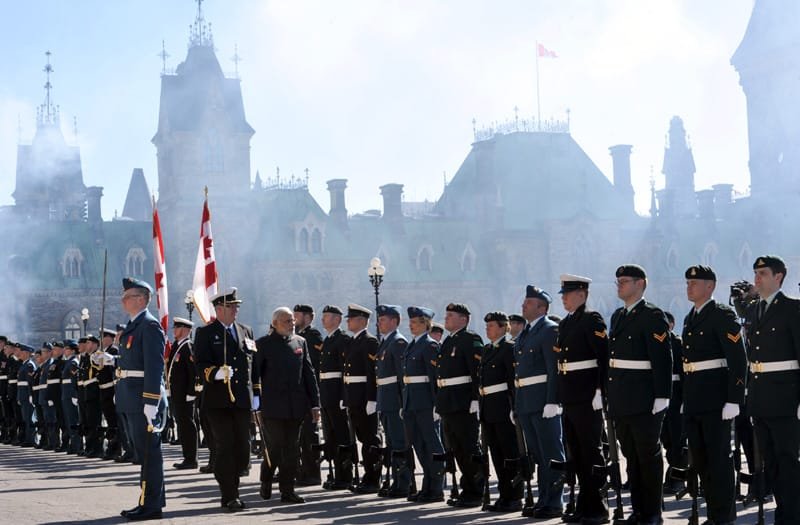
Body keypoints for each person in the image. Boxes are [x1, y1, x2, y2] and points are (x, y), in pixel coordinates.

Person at [681, 265, 747, 525]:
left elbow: (738, 359)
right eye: (687, 283)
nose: (689, 287)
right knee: (701, 460)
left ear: (710, 286)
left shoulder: (722, 315)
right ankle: (714, 513)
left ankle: (724, 517)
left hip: (716, 399)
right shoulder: (690, 317)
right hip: (695, 398)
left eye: (695, 283)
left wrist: (734, 398)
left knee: (719, 460)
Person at [606, 265, 672, 525]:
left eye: (624, 281)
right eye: (617, 281)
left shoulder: (652, 315)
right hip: (622, 398)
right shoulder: (618, 316)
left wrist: (662, 395)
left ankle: (653, 513)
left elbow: (662, 358)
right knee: (631, 458)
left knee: (648, 457)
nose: (619, 285)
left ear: (640, 284)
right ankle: (639, 510)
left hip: (645, 398)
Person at [744, 255, 800, 522]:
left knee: (788, 461)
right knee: (771, 464)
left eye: (763, 273)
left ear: (778, 277)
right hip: (761, 397)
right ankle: (783, 511)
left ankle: (791, 515)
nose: (757, 278)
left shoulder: (793, 309)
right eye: (755, 273)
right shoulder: (754, 310)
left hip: (786, 398)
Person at [194, 287, 256, 512]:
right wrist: (215, 373)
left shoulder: (246, 331)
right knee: (225, 447)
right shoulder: (206, 333)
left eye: (237, 306)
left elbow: (253, 365)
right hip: (218, 401)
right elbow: (199, 364)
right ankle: (229, 494)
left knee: (242, 448)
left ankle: (234, 485)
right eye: (231, 306)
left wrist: (256, 393)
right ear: (219, 309)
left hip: (241, 400)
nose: (236, 310)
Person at [555, 274, 609, 524]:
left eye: (567, 293)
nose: (564, 298)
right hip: (571, 395)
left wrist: (600, 390)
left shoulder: (591, 319)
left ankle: (597, 506)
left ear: (581, 294)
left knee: (591, 451)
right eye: (563, 294)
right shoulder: (566, 323)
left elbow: (602, 357)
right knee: (575, 452)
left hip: (588, 395)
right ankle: (583, 505)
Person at [253, 307, 321, 504]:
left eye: (292, 320)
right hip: (272, 407)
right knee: (274, 448)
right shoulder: (263, 344)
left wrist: (315, 404)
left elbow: (308, 374)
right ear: (275, 323)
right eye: (286, 321)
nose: (291, 324)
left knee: (292, 450)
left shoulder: (300, 342)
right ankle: (266, 478)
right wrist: (255, 405)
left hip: (296, 407)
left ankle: (287, 490)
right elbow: (255, 377)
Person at [116, 277, 167, 521]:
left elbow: (154, 366)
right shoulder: (134, 326)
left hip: (141, 399)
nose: (123, 301)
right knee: (143, 453)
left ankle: (151, 505)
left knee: (149, 455)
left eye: (127, 297)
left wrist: (151, 401)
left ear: (141, 299)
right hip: (130, 397)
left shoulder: (149, 325)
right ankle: (148, 501)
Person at [514, 285, 564, 518]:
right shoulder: (526, 332)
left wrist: (552, 401)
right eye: (524, 301)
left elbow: (554, 369)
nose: (523, 304)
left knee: (551, 452)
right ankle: (543, 498)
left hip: (544, 401)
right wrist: (517, 404)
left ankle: (554, 501)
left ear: (542, 307)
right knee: (538, 454)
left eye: (529, 302)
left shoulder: (549, 330)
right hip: (527, 402)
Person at [436, 302, 484, 507]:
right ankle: (467, 488)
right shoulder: (448, 342)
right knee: (455, 447)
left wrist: (476, 398)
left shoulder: (470, 340)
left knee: (469, 446)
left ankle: (476, 490)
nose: (446, 318)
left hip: (464, 401)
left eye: (450, 315)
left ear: (463, 320)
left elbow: (477, 371)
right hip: (448, 402)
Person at [479, 311, 522, 512]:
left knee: (509, 453)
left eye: (491, 326)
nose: (487, 329)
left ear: (503, 327)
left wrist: (514, 408)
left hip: (504, 407)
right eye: (486, 326)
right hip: (489, 408)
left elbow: (513, 382)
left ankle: (514, 496)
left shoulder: (509, 349)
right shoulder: (487, 349)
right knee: (496, 454)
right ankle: (504, 495)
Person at [401, 306, 444, 503]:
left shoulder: (430, 345)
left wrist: (437, 405)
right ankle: (427, 484)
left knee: (432, 444)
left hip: (426, 403)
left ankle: (436, 487)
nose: (410, 325)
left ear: (425, 324)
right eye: (410, 322)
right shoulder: (412, 345)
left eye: (415, 322)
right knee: (418, 444)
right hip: (412, 402)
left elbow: (434, 377)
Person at [341, 304, 381, 493]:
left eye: (351, 318)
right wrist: (345, 395)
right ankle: (367, 476)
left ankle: (373, 477)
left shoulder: (369, 341)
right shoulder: (352, 341)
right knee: (360, 437)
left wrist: (372, 399)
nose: (347, 321)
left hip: (364, 398)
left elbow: (371, 373)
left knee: (369, 438)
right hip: (353, 397)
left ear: (362, 321)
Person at [374, 304, 410, 497]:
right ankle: (397, 480)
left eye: (383, 319)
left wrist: (402, 403)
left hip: (394, 402)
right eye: (379, 320)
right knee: (392, 442)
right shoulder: (387, 342)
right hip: (385, 400)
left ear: (394, 322)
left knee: (399, 442)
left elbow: (401, 377)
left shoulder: (398, 342)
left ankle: (403, 482)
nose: (379, 323)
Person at [318, 305, 352, 490]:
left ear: (337, 320)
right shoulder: (329, 339)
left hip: (336, 395)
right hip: (326, 394)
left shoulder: (342, 340)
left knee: (341, 435)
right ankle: (336, 474)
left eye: (327, 317)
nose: (323, 320)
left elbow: (344, 371)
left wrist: (343, 396)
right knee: (330, 436)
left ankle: (345, 475)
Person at [293, 304, 324, 486]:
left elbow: (313, 367)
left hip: (309, 394)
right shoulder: (296, 337)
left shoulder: (313, 337)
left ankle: (312, 473)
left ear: (308, 317)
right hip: (298, 395)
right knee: (300, 437)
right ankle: (301, 471)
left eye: (297, 316)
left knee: (309, 435)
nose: (295, 319)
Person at [166, 317, 198, 470]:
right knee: (182, 425)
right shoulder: (177, 346)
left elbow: (193, 372)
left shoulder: (188, 347)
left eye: (177, 327)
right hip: (177, 393)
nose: (174, 330)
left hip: (185, 394)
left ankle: (191, 458)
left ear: (185, 330)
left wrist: (191, 392)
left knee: (187, 425)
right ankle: (187, 456)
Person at [660, 311, 686, 494]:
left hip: (676, 395)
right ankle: (673, 473)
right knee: (666, 438)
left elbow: (684, 373)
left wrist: (685, 398)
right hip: (662, 395)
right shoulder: (657, 341)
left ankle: (678, 479)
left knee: (678, 439)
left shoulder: (677, 342)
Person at [96, 329, 120, 460]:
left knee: (113, 420)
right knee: (109, 420)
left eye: (103, 337)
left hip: (111, 389)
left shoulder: (113, 351)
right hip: (103, 389)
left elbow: (113, 370)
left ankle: (115, 448)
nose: (101, 340)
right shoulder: (104, 352)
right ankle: (111, 447)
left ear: (110, 338)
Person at [61, 340, 82, 454]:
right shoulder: (68, 362)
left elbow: (75, 380)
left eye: (67, 349)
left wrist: (74, 395)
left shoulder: (73, 362)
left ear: (73, 351)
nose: (65, 350)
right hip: (66, 394)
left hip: (70, 395)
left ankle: (77, 445)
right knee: (69, 420)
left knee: (73, 420)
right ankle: (73, 444)